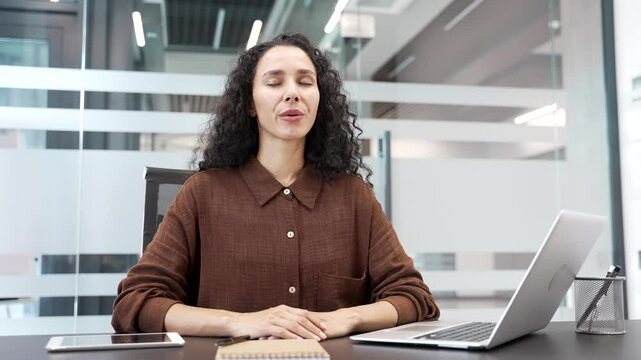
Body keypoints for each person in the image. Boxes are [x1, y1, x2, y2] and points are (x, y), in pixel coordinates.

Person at [112, 32, 439, 340]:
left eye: (305, 82)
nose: (293, 92)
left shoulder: (353, 196)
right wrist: (239, 321)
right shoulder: (203, 192)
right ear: (250, 104)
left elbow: (413, 296)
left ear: (319, 101)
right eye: (274, 82)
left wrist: (349, 317)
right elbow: (135, 301)